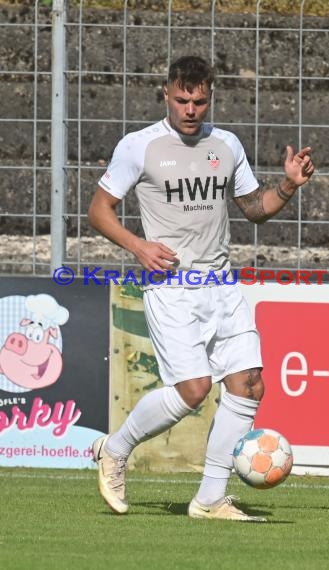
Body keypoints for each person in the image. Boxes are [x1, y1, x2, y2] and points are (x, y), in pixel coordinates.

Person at [88, 55, 314, 521]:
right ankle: (115, 448)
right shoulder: (140, 146)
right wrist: (138, 246)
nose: (191, 109)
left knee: (250, 385)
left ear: (210, 97)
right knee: (192, 391)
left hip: (221, 284)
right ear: (166, 94)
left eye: (200, 101)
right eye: (182, 100)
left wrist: (288, 186)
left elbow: (253, 208)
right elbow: (99, 210)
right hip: (172, 287)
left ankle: (210, 500)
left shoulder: (226, 144)